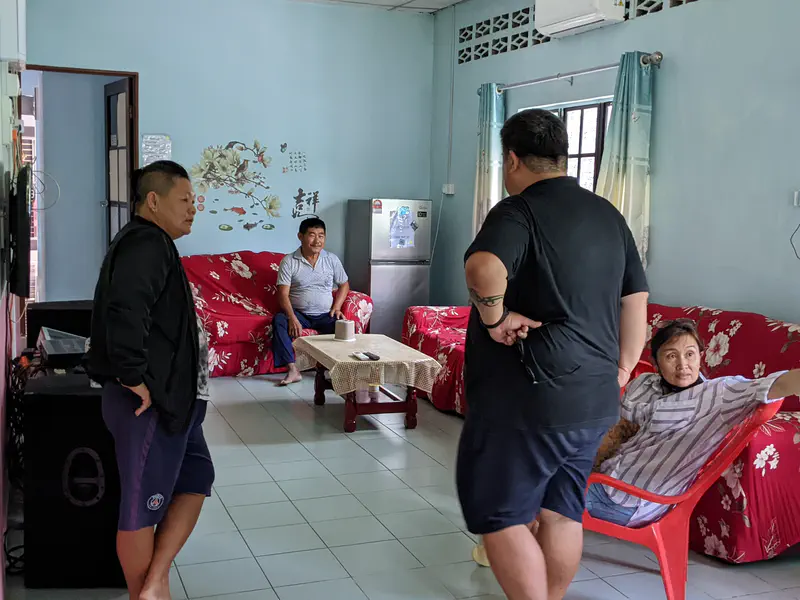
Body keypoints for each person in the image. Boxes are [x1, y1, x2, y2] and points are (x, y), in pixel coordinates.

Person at [458, 109, 649, 600]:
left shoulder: (517, 210)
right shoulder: (609, 215)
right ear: (562, 157)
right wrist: (622, 370)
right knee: (562, 511)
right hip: (594, 398)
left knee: (500, 515)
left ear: (513, 159)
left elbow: (483, 269)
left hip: (528, 399)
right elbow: (636, 306)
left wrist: (495, 319)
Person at [87, 160, 213, 600]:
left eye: (194, 201)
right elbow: (126, 311)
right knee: (141, 510)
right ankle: (147, 591)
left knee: (197, 478)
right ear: (154, 201)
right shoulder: (146, 243)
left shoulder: (156, 243)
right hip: (147, 401)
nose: (193, 209)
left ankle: (156, 577)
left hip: (176, 401)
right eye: (184, 200)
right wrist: (132, 376)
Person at [583, 318, 794, 527]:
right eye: (671, 356)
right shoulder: (644, 383)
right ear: (656, 363)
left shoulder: (718, 395)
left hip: (631, 500)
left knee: (554, 494)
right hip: (606, 476)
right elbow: (617, 426)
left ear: (700, 357)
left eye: (690, 354)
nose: (683, 365)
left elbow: (777, 384)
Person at [273, 217, 350, 385]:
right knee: (279, 320)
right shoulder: (289, 261)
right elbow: (283, 294)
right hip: (300, 314)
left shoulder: (331, 259)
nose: (317, 240)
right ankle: (293, 370)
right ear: (300, 236)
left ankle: (342, 371)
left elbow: (344, 285)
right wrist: (292, 318)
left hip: (325, 314)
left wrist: (337, 307)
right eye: (312, 235)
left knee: (346, 326)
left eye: (321, 235)